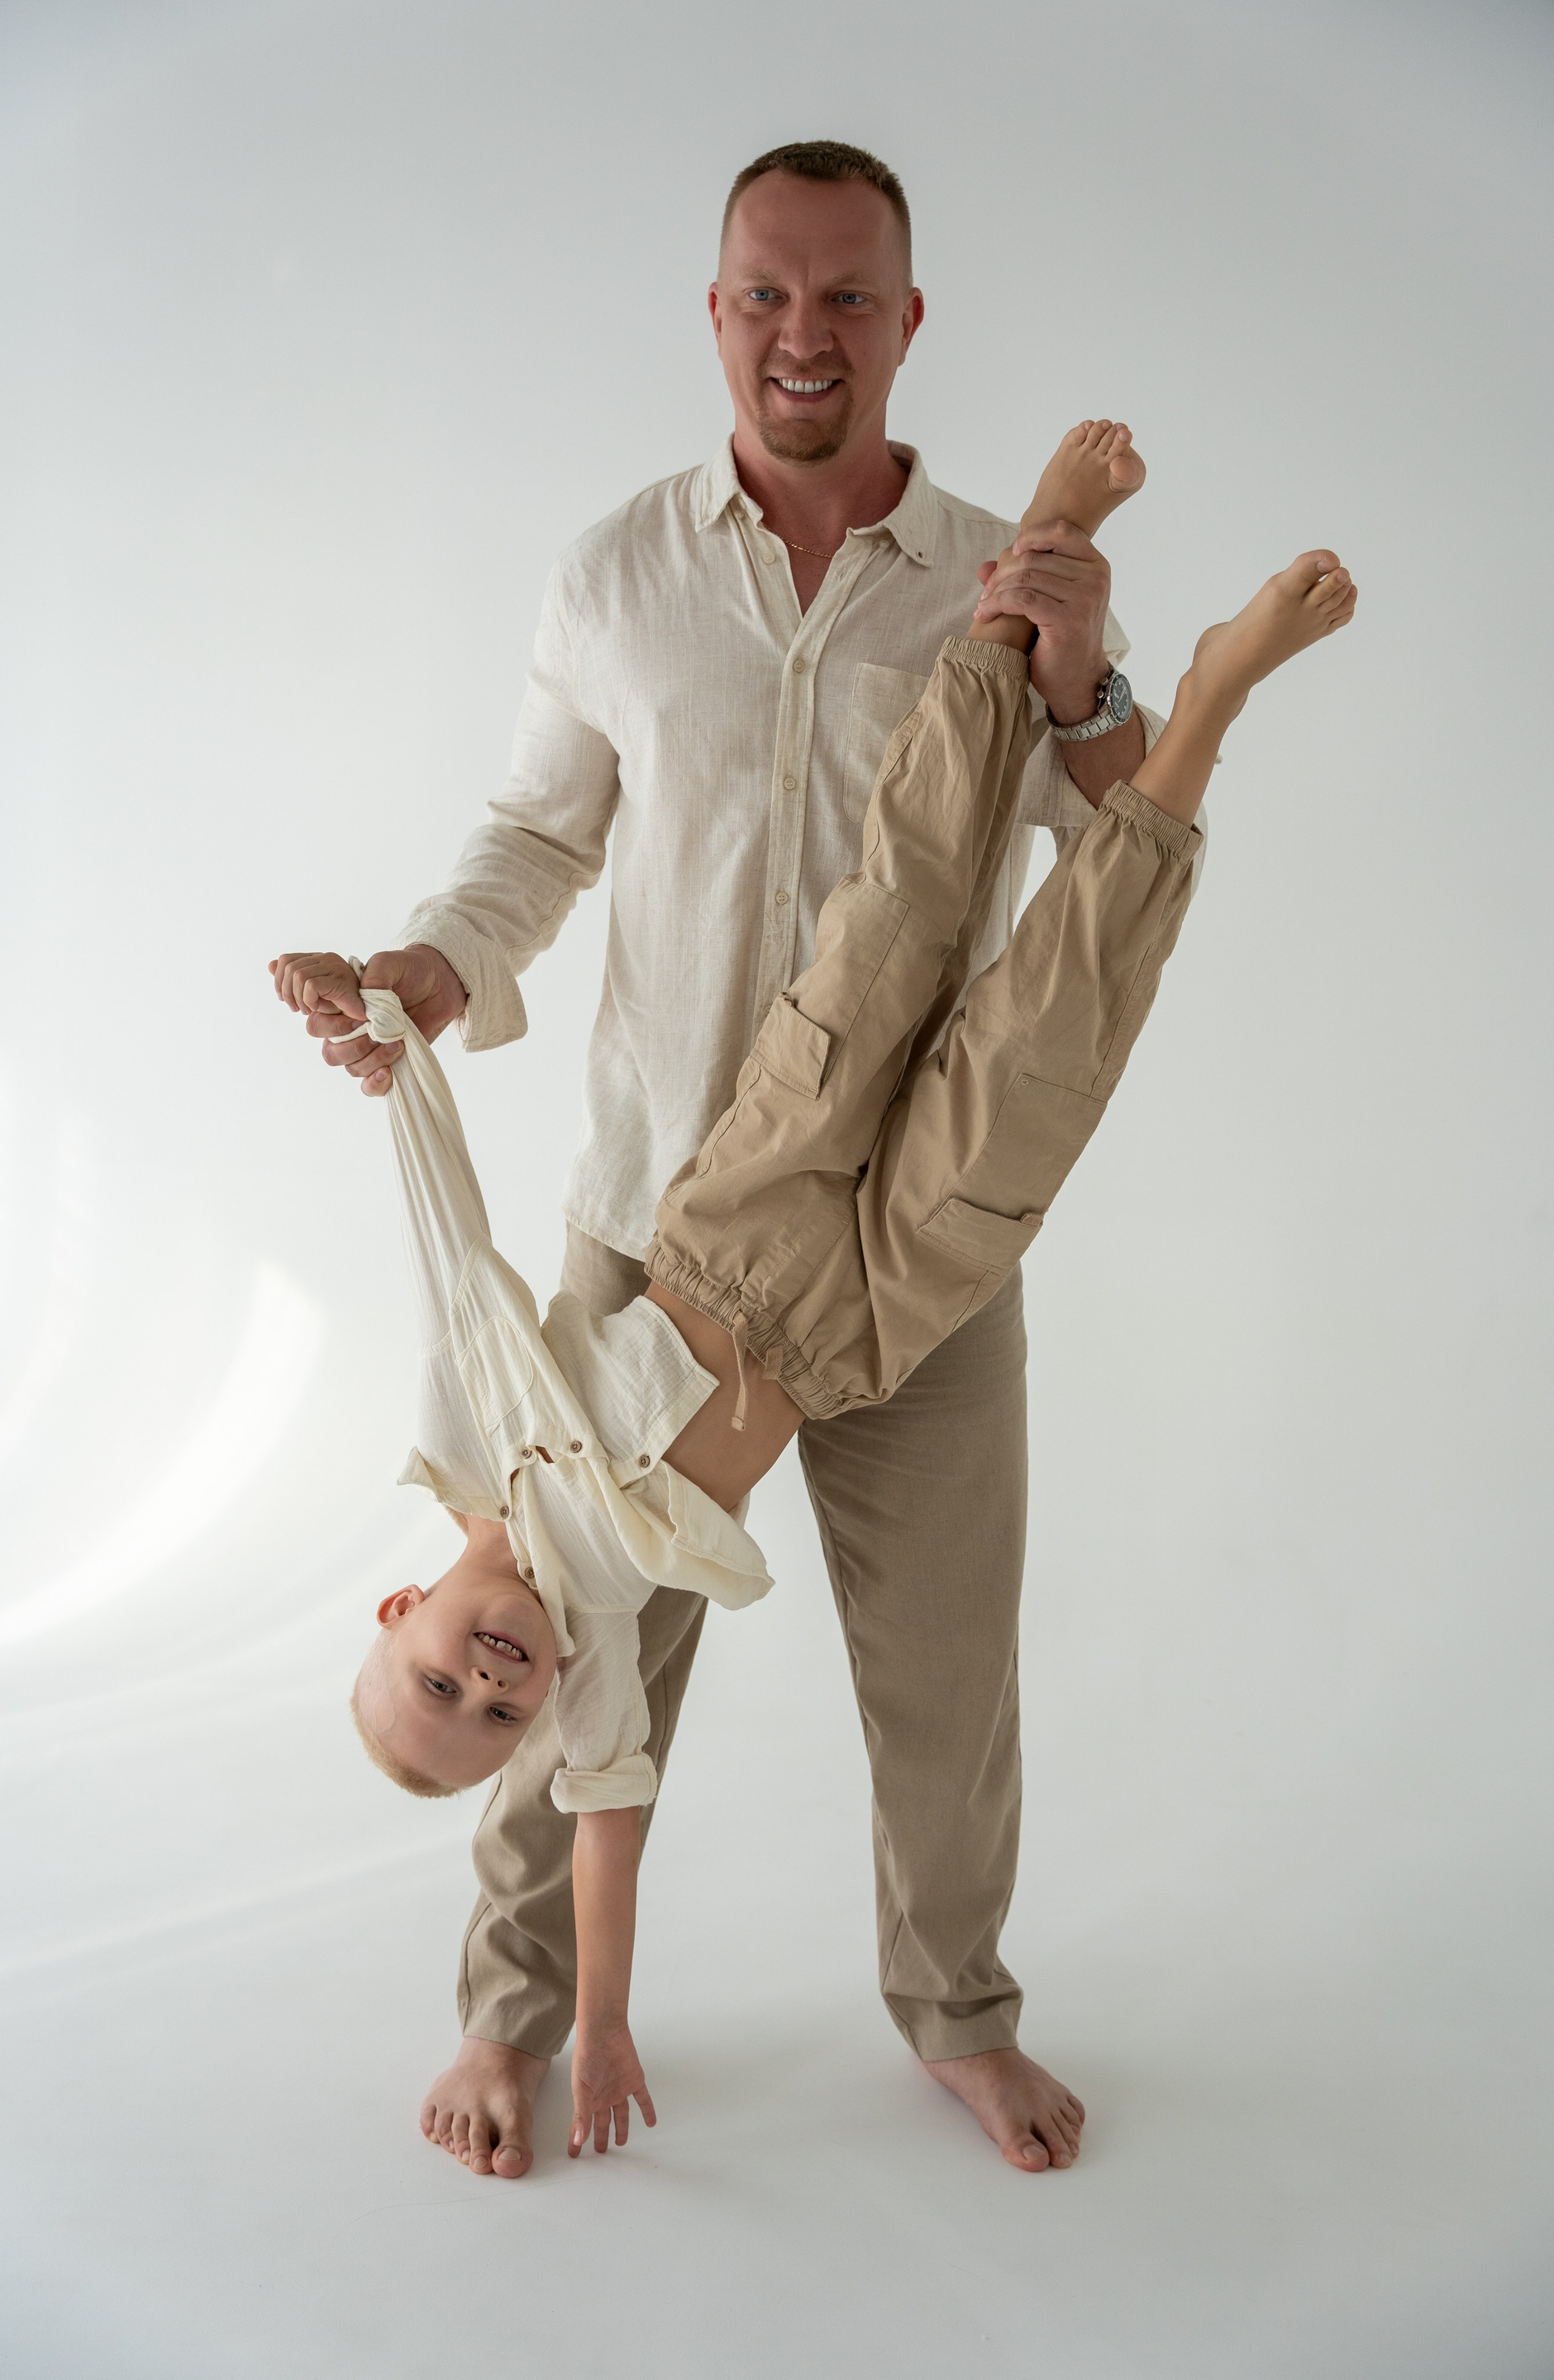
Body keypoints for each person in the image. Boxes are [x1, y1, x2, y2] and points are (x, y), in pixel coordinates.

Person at [274, 430, 1357, 2165]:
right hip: (859, 1319)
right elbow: (603, 1818)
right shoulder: (581, 1677)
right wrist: (601, 2019)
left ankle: (960, 2010)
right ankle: (508, 2017)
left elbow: (446, 1237)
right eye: (490, 1710)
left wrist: (398, 1039)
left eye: (440, 1675)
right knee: (1052, 1048)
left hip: (733, 1205)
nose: (486, 1680)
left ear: (401, 1602)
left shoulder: (483, 1443)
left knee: (900, 910)